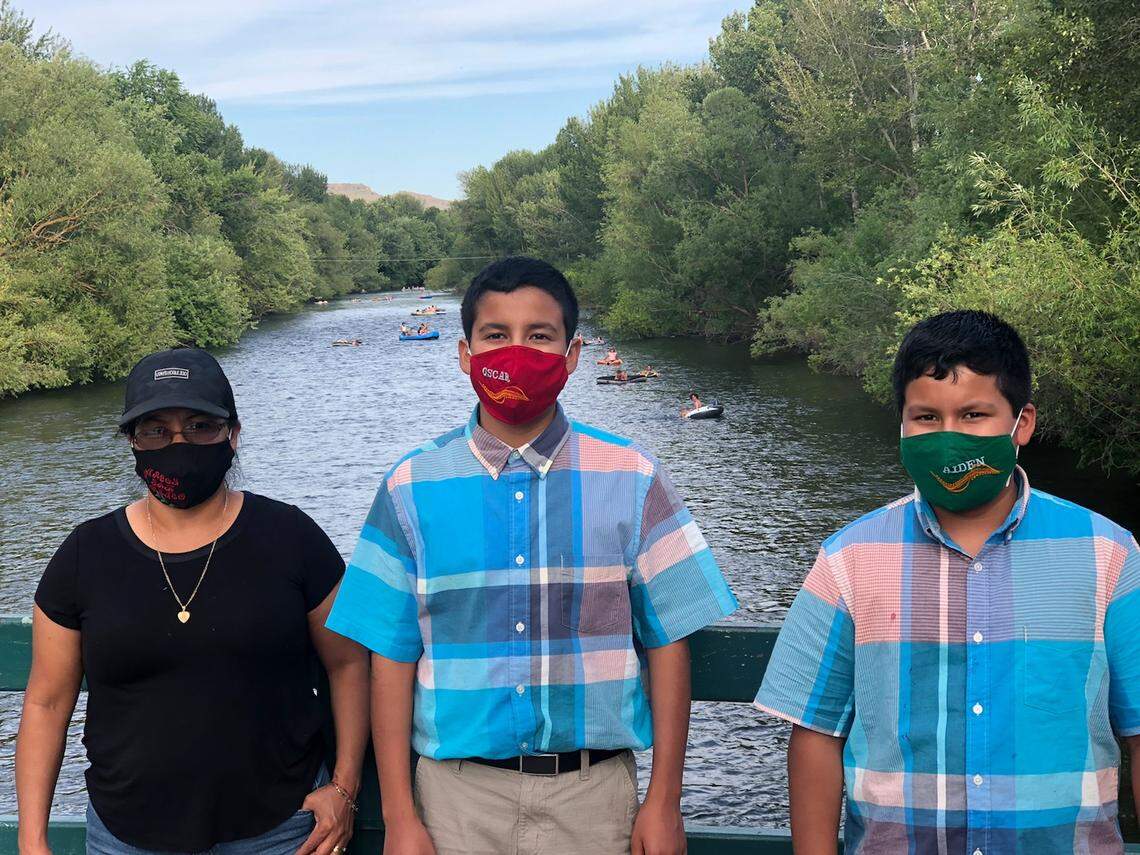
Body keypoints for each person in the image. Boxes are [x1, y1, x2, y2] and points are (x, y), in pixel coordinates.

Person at [326, 256, 737, 855]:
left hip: (594, 796)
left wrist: (665, 800)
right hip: (454, 799)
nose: (516, 351)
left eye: (539, 336)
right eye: (496, 335)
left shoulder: (634, 476)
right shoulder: (409, 487)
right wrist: (398, 815)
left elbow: (669, 640)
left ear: (571, 356)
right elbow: (390, 656)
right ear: (465, 353)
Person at [754, 310, 1140, 853]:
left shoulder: (1110, 555)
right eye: (927, 418)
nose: (950, 436)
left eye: (975, 414)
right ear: (903, 424)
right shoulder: (849, 558)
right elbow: (815, 732)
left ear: (1021, 423)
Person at [16, 347, 370, 855]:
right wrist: (32, 840)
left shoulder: (291, 537)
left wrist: (344, 787)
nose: (177, 444)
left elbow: (348, 664)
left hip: (282, 831)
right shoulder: (84, 554)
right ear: (131, 442)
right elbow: (46, 702)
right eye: (155, 429)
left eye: (200, 426)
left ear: (233, 433)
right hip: (126, 836)